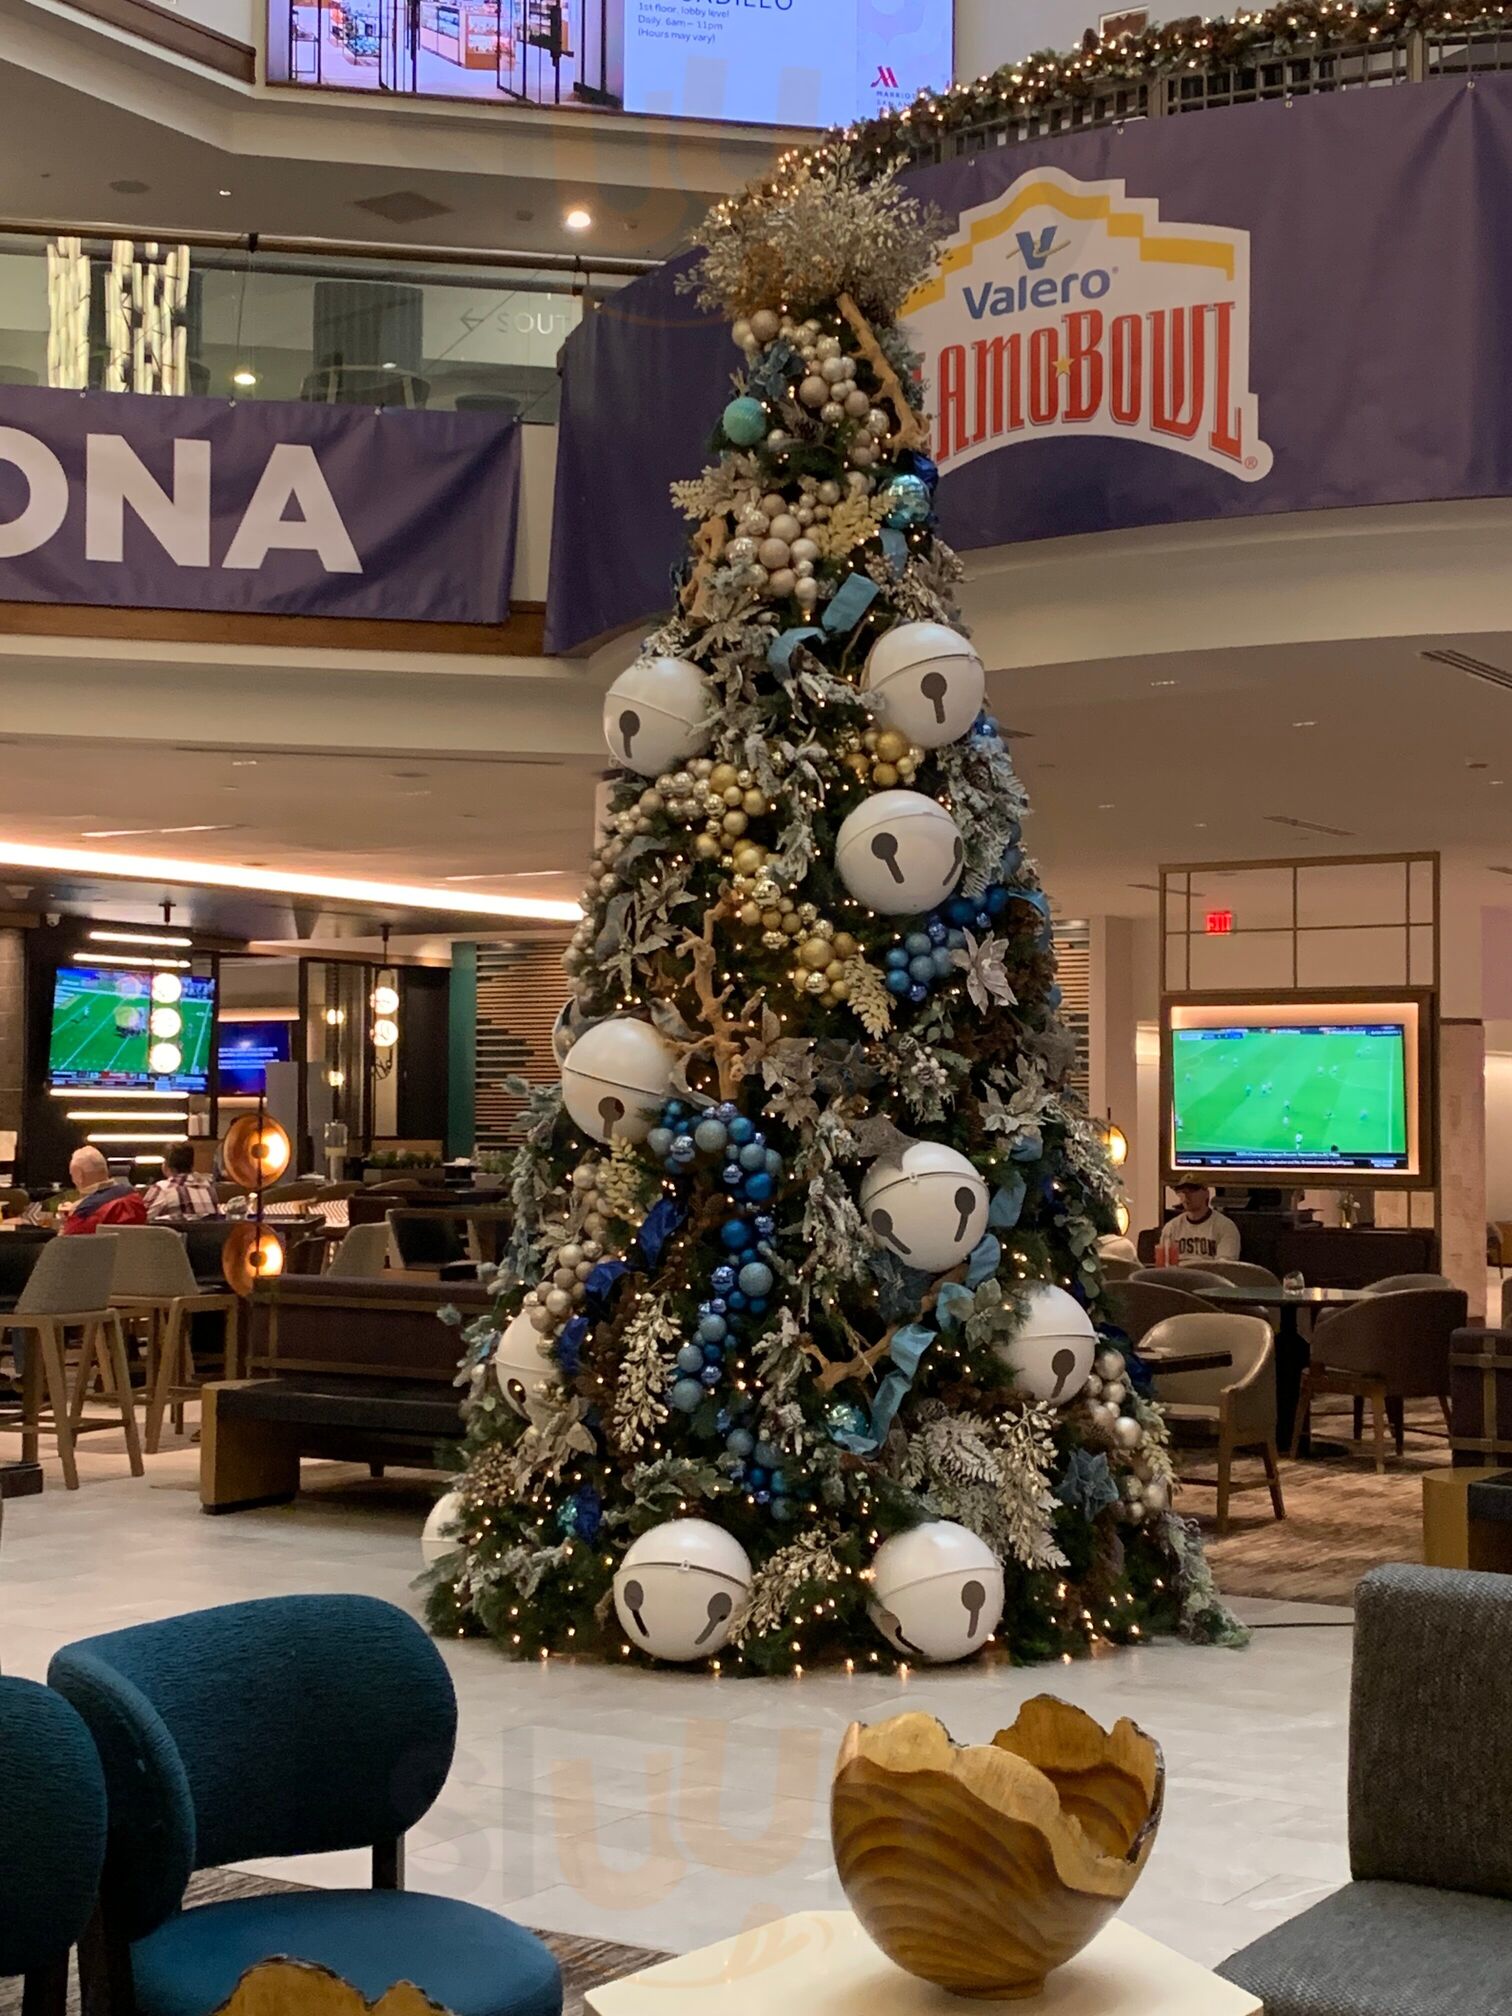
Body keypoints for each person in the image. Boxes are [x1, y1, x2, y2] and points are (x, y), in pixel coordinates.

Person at [60, 1147, 147, 1235]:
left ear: (79, 1175)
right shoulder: (134, 1198)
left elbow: (65, 1243)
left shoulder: (83, 1214)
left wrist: (68, 1219)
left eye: (72, 1175)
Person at [1159, 1180, 1240, 1265]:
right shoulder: (1171, 1227)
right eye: (1182, 1192)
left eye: (1192, 1191)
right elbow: (1165, 1265)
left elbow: (1225, 1266)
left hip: (1210, 1276)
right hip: (1179, 1276)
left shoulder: (1225, 1226)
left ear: (1206, 1194)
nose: (1186, 1196)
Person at [142, 1142, 222, 1223]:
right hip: (209, 1234)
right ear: (192, 1165)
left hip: (177, 1234)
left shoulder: (163, 1188)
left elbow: (141, 1219)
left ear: (166, 1165)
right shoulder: (208, 1187)